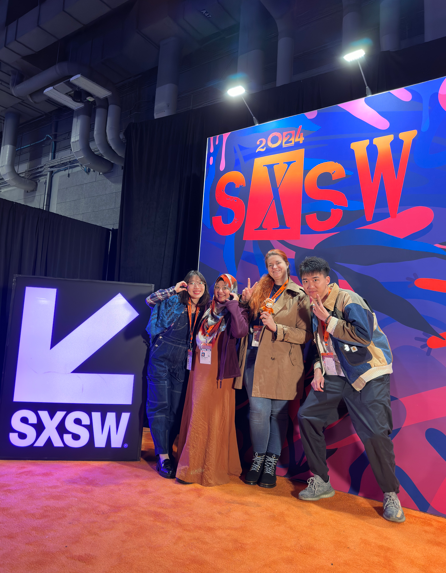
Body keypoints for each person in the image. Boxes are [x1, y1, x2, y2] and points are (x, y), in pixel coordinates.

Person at [297, 256, 405, 523]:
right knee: (307, 415)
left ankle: (390, 494)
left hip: (366, 374)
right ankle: (321, 481)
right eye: (306, 281)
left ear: (327, 280)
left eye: (315, 280)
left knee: (376, 433)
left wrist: (329, 319)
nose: (310, 286)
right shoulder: (314, 306)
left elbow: (363, 336)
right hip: (335, 375)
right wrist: (318, 368)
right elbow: (320, 345)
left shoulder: (348, 300)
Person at [236, 249, 312, 488]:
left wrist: (277, 328)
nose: (274, 267)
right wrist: (245, 302)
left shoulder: (299, 295)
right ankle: (258, 460)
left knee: (278, 414)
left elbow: (306, 334)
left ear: (287, 264)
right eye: (270, 264)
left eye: (278, 263)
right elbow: (245, 321)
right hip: (255, 358)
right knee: (258, 412)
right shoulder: (260, 289)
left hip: (284, 363)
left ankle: (271, 463)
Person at [176, 274, 249, 486]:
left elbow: (241, 331)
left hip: (219, 371)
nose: (221, 291)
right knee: (197, 412)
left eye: (226, 287)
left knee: (214, 416)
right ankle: (191, 465)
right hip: (199, 368)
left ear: (232, 290)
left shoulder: (237, 310)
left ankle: (206, 467)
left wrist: (234, 305)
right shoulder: (207, 307)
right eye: (218, 286)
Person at [145, 271, 210, 479]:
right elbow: (150, 300)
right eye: (192, 283)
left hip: (183, 362)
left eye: (200, 283)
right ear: (185, 286)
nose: (196, 287)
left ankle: (168, 450)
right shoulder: (174, 300)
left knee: (176, 409)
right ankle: (163, 456)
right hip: (161, 358)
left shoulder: (206, 310)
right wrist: (173, 290)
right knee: (159, 406)